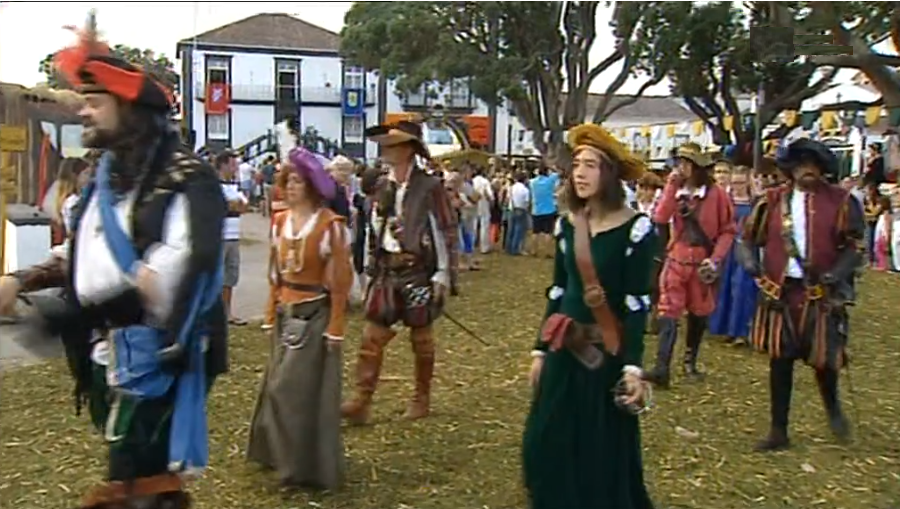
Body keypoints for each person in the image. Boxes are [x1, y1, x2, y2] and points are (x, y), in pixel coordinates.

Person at [0, 13, 227, 507]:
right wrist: (22, 279)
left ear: (131, 110)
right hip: (107, 352)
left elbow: (169, 282)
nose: (83, 113)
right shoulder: (108, 177)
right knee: (133, 477)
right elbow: (87, 252)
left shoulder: (191, 181)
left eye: (95, 102)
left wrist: (65, 318)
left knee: (142, 489)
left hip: (161, 355)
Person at [522, 123, 656, 509]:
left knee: (597, 450)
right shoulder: (567, 226)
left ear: (610, 173)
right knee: (543, 442)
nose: (579, 173)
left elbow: (635, 304)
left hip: (604, 360)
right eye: (577, 164)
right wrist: (540, 351)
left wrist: (633, 368)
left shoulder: (637, 230)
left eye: (591, 165)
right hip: (564, 351)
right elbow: (558, 291)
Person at [738, 138, 863, 451]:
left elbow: (855, 246)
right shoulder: (771, 201)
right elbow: (746, 239)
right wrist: (751, 263)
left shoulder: (843, 201)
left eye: (814, 164)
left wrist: (837, 274)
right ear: (790, 168)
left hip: (821, 292)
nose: (808, 170)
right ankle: (778, 430)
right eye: (801, 164)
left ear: (822, 169)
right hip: (781, 293)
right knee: (780, 361)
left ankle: (834, 412)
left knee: (824, 359)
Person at [246, 147, 352, 489]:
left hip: (314, 316)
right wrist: (269, 310)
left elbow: (339, 282)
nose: (289, 187)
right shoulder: (279, 222)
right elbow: (274, 273)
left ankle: (299, 467)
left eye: (296, 181)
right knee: (276, 386)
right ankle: (278, 456)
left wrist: (336, 326)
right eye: (287, 180)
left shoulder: (329, 227)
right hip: (285, 314)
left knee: (291, 392)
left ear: (310, 185)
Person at [340, 121, 458, 424]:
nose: (386, 149)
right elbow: (373, 228)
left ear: (408, 149)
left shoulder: (429, 187)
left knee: (421, 338)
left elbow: (444, 230)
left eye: (393, 144)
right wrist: (370, 263)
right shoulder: (382, 186)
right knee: (371, 336)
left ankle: (422, 398)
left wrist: (443, 273)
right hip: (387, 270)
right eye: (385, 145)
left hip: (418, 271)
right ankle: (362, 401)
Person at [646, 142, 736, 388]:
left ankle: (689, 361)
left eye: (686, 163)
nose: (681, 168)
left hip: (702, 262)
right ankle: (662, 367)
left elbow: (728, 230)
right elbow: (660, 218)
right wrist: (671, 186)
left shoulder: (717, 195)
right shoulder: (675, 190)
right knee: (668, 311)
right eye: (680, 162)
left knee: (699, 312)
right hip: (676, 258)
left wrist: (715, 259)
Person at [708, 165, 758, 345]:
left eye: (741, 182)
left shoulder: (755, 202)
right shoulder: (725, 200)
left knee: (742, 288)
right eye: (735, 182)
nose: (737, 185)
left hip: (745, 250)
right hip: (727, 249)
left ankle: (741, 331)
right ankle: (724, 327)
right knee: (724, 287)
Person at [218, 151, 249, 326]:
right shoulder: (215, 185)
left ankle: (227, 312)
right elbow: (222, 206)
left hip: (234, 235)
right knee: (217, 276)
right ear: (223, 165)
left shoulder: (235, 185)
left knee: (230, 276)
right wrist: (233, 206)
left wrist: (234, 206)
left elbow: (244, 206)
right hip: (220, 236)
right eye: (232, 164)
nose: (235, 167)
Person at [529, 165, 560, 258]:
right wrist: (553, 168)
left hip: (536, 210)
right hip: (549, 209)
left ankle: (534, 250)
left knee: (535, 232)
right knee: (548, 232)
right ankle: (548, 252)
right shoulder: (550, 180)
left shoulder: (533, 182)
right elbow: (558, 173)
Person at [506, 172, 531, 255]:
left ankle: (508, 248)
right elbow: (527, 202)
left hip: (511, 208)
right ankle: (515, 248)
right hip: (521, 209)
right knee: (518, 230)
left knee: (510, 230)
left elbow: (507, 198)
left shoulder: (511, 187)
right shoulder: (525, 190)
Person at [472, 166, 495, 254]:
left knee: (473, 225)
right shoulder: (485, 182)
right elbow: (490, 194)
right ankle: (484, 247)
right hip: (484, 204)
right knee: (484, 226)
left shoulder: (472, 181)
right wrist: (491, 201)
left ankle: (472, 244)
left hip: (474, 203)